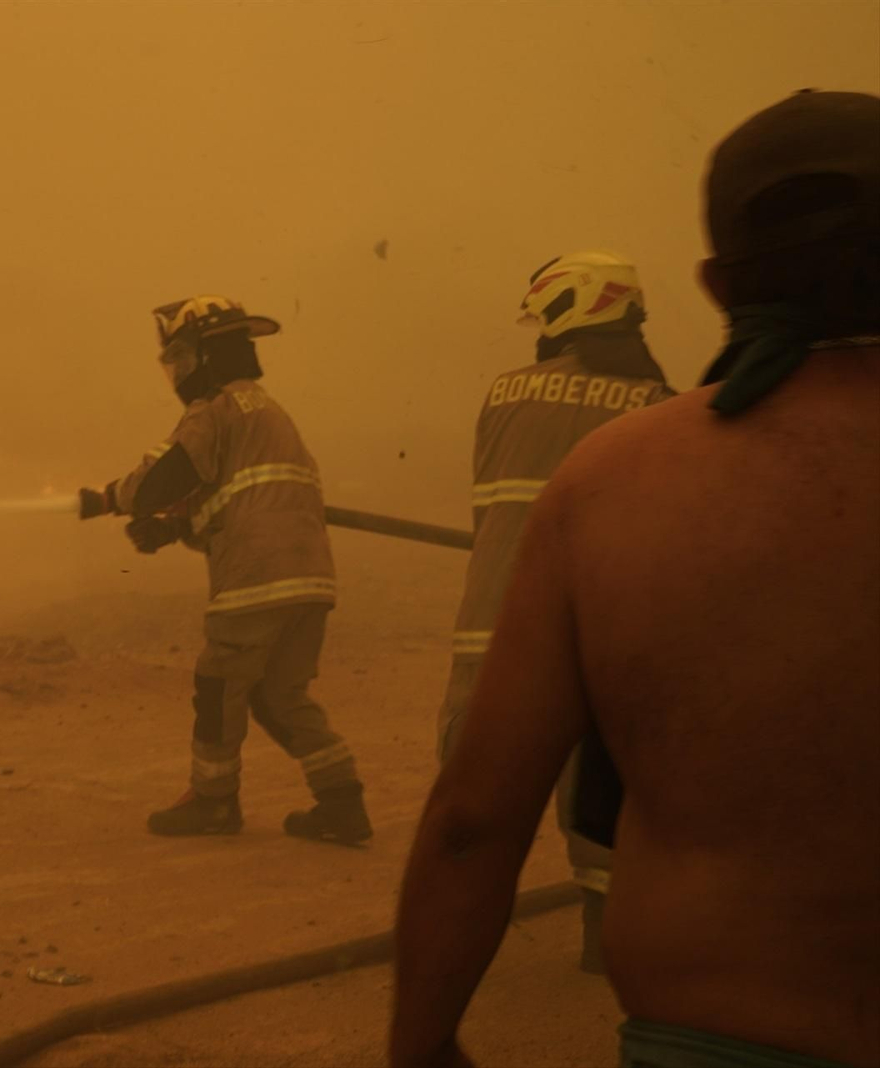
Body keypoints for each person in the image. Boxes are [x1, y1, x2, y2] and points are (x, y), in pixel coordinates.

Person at [390, 89, 880, 1068]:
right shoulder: (630, 420)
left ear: (715, 281)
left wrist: (421, 1043)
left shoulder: (619, 479)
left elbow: (471, 822)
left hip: (712, 1035)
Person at [437, 250, 675, 972]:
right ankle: (603, 948)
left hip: (497, 629)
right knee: (606, 800)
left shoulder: (507, 392)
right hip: (602, 638)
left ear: (565, 314)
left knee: (473, 798)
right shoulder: (659, 403)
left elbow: (493, 506)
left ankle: (452, 950)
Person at [80, 295, 370, 843]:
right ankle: (342, 802)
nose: (179, 373)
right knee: (279, 695)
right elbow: (234, 502)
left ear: (208, 356)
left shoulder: (214, 410)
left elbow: (166, 477)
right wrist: (171, 529)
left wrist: (112, 497)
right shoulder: (267, 413)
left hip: (255, 580)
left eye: (183, 359)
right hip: (308, 578)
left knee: (217, 687)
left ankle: (213, 803)